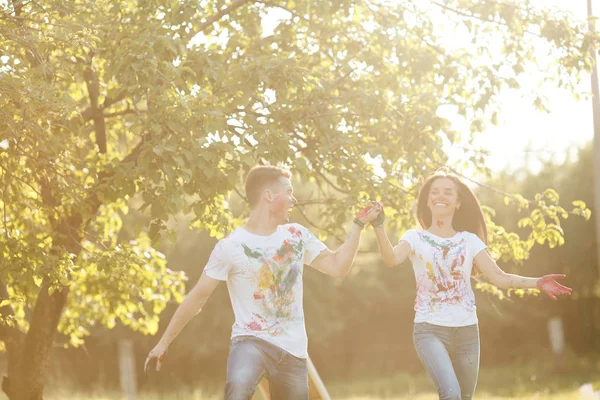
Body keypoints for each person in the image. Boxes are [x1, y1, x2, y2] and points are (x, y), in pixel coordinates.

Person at [145, 165, 380, 399]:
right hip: (251, 342)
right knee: (238, 386)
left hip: (293, 351)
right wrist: (163, 343)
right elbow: (198, 297)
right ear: (268, 195)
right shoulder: (231, 246)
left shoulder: (296, 236)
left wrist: (358, 226)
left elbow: (338, 267)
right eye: (288, 192)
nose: (294, 199)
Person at [371, 169, 572, 400]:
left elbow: (500, 277)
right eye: (435, 192)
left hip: (467, 332)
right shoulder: (415, 238)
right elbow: (392, 259)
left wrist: (537, 282)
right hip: (429, 330)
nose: (440, 196)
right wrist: (378, 226)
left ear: (458, 203)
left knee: (465, 398)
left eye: (448, 192)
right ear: (427, 201)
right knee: (451, 394)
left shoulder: (469, 241)